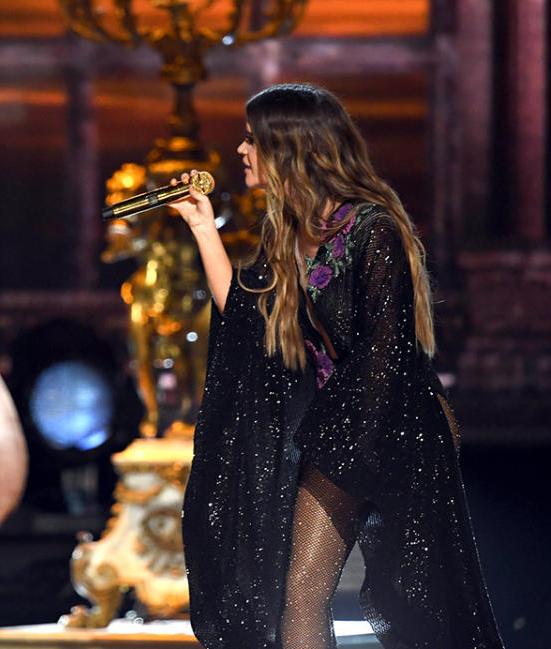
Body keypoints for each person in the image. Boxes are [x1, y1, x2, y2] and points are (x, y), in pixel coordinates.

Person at [171, 84, 504, 649]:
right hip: (333, 430)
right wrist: (204, 229)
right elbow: (248, 321)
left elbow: (387, 357)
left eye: (253, 140)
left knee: (415, 603)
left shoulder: (374, 230)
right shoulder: (286, 233)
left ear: (288, 147)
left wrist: (325, 453)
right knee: (300, 592)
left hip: (390, 426)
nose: (241, 151)